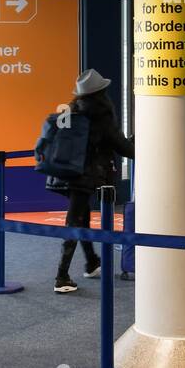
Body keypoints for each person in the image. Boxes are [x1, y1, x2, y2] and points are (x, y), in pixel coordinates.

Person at [45, 69, 133, 294]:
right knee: (74, 222)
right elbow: (123, 148)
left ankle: (91, 262)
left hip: (62, 173)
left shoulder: (71, 109)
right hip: (83, 177)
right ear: (101, 92)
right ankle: (61, 277)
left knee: (81, 217)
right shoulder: (101, 115)